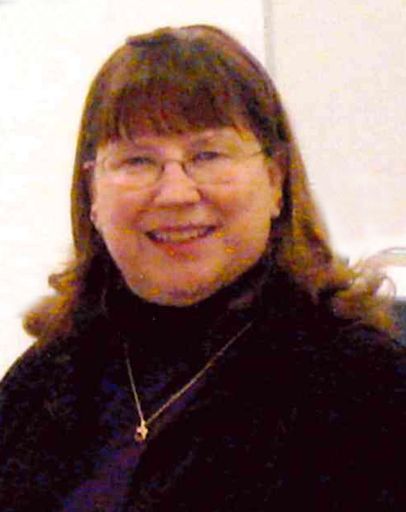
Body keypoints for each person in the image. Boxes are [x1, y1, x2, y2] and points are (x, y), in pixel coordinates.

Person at [0, 24, 405, 511]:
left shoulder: (364, 389)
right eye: (137, 161)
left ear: (275, 180)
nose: (176, 193)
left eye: (207, 155)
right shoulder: (43, 381)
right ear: (93, 195)